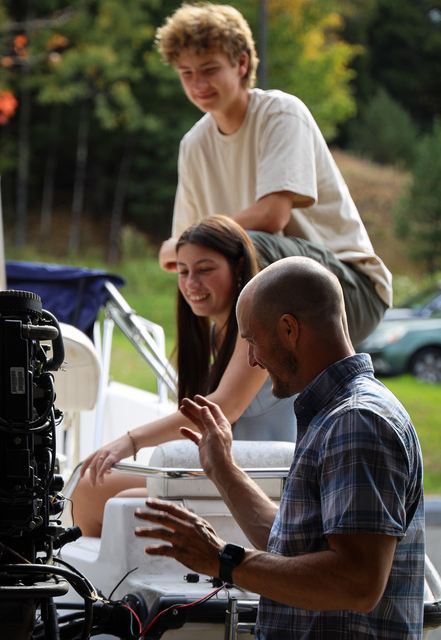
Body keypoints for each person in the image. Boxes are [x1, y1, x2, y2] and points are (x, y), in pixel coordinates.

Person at [135, 256, 424, 639]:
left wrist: (225, 560)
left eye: (253, 340)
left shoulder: (356, 421)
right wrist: (223, 469)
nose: (252, 359)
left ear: (289, 329)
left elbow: (357, 582)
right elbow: (297, 546)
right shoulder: (337, 414)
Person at [155, 3, 391, 347]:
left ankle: (231, 397)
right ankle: (214, 382)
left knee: (248, 244)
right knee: (202, 272)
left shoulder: (280, 113)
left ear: (241, 64)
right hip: (275, 288)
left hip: (345, 291)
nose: (198, 83)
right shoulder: (193, 143)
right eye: (186, 73)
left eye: (209, 69)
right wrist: (186, 252)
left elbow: (272, 216)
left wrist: (185, 247)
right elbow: (183, 255)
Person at [72, 216, 296, 537]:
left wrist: (129, 441)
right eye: (183, 271)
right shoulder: (218, 333)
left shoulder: (260, 326)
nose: (191, 282)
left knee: (108, 501)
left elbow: (222, 409)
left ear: (239, 268)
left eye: (205, 270)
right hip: (232, 469)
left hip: (267, 477)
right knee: (88, 487)